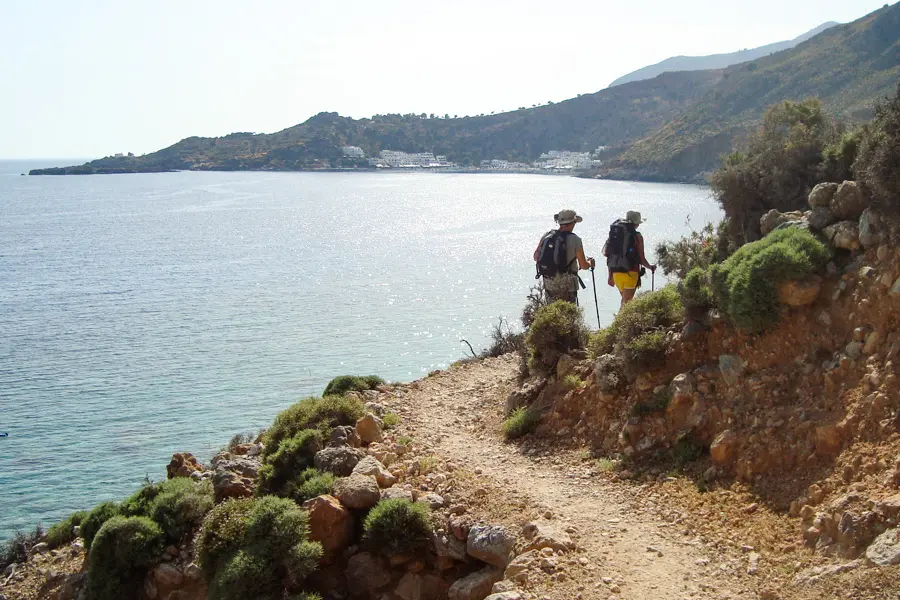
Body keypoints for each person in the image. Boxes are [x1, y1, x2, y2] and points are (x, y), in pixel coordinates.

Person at [533, 209, 595, 304]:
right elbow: (583, 265)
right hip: (568, 285)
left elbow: (536, 257)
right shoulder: (575, 239)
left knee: (552, 313)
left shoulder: (547, 235)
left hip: (549, 282)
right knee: (568, 314)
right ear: (572, 223)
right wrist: (590, 263)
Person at [602, 210, 656, 308]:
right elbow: (641, 259)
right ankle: (619, 323)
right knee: (626, 304)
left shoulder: (617, 235)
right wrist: (650, 267)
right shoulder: (637, 236)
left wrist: (610, 275)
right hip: (630, 273)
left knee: (626, 302)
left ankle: (623, 322)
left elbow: (609, 254)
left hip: (616, 273)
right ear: (637, 224)